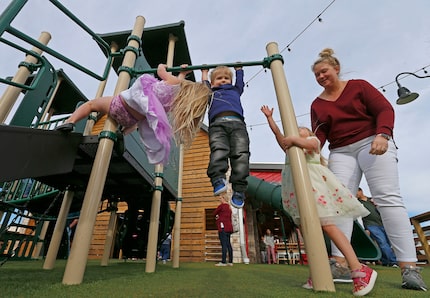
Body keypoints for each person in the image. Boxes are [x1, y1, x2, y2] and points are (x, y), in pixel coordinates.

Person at [310, 48, 427, 292]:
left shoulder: (359, 86)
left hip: (372, 141)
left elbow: (385, 109)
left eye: (324, 71)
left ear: (336, 68)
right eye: (317, 75)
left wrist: (383, 133)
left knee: (387, 198)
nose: (321, 77)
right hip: (341, 150)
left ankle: (409, 268)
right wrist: (306, 147)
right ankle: (340, 263)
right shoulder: (317, 104)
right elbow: (319, 135)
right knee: (338, 203)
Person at [261, 105, 376, 296]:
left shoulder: (312, 142)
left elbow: (312, 144)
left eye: (302, 132)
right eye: (295, 132)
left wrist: (295, 138)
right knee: (307, 230)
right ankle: (319, 271)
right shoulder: (289, 148)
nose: (297, 133)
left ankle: (359, 268)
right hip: (298, 193)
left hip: (314, 190)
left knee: (328, 226)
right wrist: (270, 119)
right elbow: (278, 135)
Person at [56, 64, 211, 165]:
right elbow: (176, 90)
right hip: (131, 119)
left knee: (91, 105)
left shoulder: (175, 83)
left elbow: (161, 72)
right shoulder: (175, 102)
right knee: (143, 118)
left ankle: (70, 121)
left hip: (121, 104)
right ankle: (122, 133)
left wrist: (165, 67)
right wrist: (182, 75)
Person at [201, 66, 250, 208]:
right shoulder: (211, 93)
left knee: (241, 154)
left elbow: (240, 83)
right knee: (218, 150)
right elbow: (204, 85)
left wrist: (239, 70)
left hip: (238, 124)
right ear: (212, 82)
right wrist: (204, 73)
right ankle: (217, 178)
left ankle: (239, 189)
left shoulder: (235, 90)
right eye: (219, 78)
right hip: (217, 125)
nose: (223, 80)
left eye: (226, 78)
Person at [356, 187, 398, 267]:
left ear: (360, 191)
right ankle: (393, 262)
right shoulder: (357, 203)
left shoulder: (372, 200)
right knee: (382, 242)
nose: (355, 194)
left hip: (383, 223)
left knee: (387, 243)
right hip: (370, 224)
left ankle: (385, 261)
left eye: (356, 192)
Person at [213, 194, 234, 266]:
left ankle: (223, 261)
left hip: (223, 228)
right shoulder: (229, 207)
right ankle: (230, 261)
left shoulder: (221, 206)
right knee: (228, 244)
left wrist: (217, 217)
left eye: (220, 198)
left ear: (223, 199)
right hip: (229, 228)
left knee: (224, 245)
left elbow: (214, 213)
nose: (219, 199)